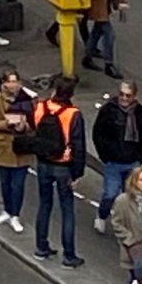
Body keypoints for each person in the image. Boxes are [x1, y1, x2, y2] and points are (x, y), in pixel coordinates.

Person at [30, 75, 88, 267]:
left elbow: (34, 129)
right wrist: (77, 173)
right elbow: (78, 146)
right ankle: (69, 255)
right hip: (63, 166)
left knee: (44, 205)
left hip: (43, 163)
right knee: (67, 210)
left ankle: (41, 247)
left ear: (54, 90)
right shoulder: (73, 114)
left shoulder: (40, 107)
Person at [94, 80, 142, 232]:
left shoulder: (141, 113)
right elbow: (98, 133)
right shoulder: (108, 110)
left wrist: (141, 158)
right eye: (121, 94)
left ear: (134, 96)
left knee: (131, 196)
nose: (124, 98)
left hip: (132, 162)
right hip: (113, 162)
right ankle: (102, 215)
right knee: (110, 194)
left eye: (128, 96)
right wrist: (105, 155)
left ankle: (127, 222)